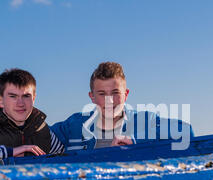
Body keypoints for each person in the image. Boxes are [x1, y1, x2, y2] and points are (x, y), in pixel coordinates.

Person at [50, 62, 194, 151]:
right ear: (92, 97)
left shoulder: (145, 120)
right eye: (102, 94)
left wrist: (135, 140)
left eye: (115, 93)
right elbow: (40, 136)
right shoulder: (74, 125)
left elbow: (185, 131)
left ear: (126, 94)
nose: (110, 101)